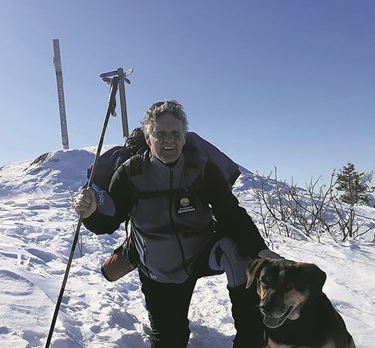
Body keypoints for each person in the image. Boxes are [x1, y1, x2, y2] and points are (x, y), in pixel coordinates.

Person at [73, 100, 279, 347]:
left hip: (199, 252)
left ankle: (251, 338)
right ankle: (132, 262)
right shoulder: (130, 173)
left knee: (237, 250)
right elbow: (107, 224)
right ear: (149, 138)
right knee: (171, 340)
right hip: (157, 267)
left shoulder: (201, 168)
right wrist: (91, 213)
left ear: (184, 138)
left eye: (175, 134)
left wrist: (259, 248)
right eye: (160, 133)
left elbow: (230, 213)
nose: (168, 141)